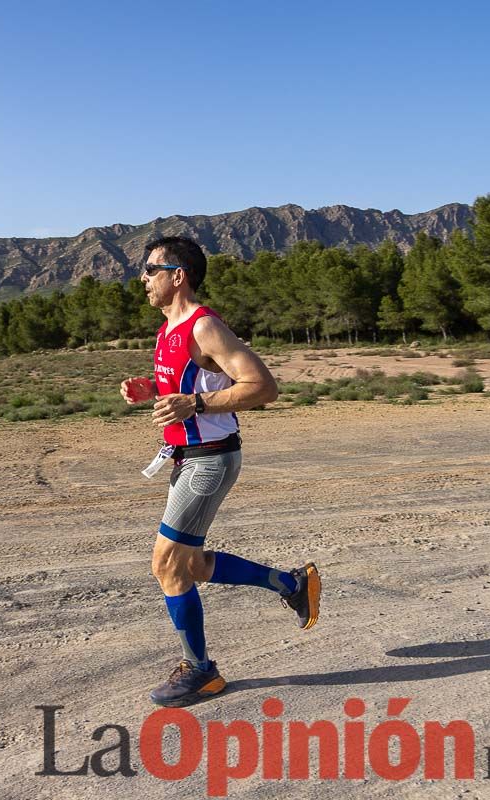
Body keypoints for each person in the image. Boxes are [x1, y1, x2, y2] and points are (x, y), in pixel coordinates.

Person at [119, 235, 321, 708]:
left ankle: (202, 672)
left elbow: (263, 386)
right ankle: (293, 584)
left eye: (150, 270)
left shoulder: (204, 326)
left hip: (210, 460)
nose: (143, 279)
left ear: (177, 275)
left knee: (166, 565)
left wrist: (197, 403)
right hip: (185, 458)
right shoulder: (169, 328)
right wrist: (150, 388)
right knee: (190, 565)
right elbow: (188, 383)